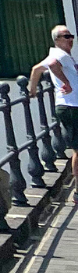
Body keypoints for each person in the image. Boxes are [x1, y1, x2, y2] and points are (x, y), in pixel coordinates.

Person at [30, 24, 78, 204]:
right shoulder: (58, 55)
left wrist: (32, 89)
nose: (71, 39)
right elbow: (50, 65)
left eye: (71, 36)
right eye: (66, 36)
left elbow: (36, 70)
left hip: (71, 105)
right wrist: (65, 82)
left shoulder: (63, 55)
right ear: (57, 40)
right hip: (71, 106)